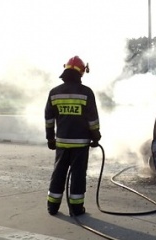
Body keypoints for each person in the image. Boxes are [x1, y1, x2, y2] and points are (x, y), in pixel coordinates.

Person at [45, 56, 101, 216]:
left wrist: (50, 138)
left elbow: (48, 119)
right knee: (77, 175)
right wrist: (96, 136)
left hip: (61, 143)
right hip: (81, 144)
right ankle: (76, 209)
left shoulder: (54, 93)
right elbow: (93, 119)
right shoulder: (86, 93)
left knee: (59, 173)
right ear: (82, 73)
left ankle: (52, 206)